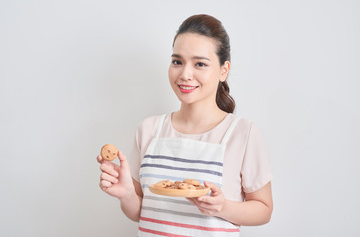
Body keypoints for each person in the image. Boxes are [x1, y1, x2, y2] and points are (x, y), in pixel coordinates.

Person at [97, 14, 273, 236]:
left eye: (200, 64)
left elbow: (265, 210)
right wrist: (126, 195)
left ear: (223, 70)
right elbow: (142, 212)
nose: (185, 74)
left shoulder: (242, 133)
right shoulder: (149, 130)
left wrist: (223, 207)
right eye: (177, 62)